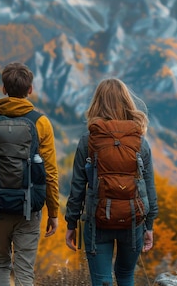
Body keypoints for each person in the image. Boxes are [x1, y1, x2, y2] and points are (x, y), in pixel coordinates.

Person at [0, 62, 59, 286]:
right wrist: (54, 212)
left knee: (0, 264)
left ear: (3, 89)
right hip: (28, 208)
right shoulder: (41, 123)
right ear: (30, 90)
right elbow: (50, 173)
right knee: (25, 270)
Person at [64, 78, 158, 286]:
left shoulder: (88, 141)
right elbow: (149, 189)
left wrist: (71, 223)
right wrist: (149, 225)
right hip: (133, 221)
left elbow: (77, 188)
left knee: (102, 281)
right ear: (127, 102)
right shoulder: (140, 142)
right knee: (125, 277)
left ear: (96, 103)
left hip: (97, 221)